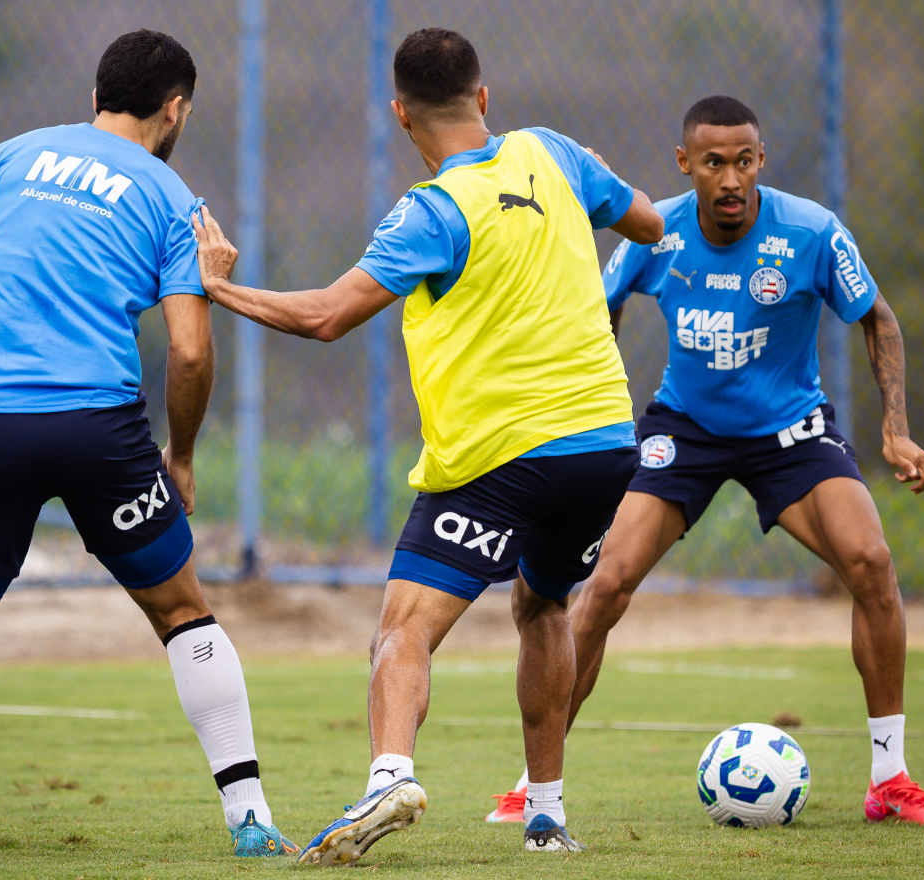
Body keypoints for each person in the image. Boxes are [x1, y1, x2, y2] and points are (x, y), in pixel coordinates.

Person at [190, 27, 663, 862]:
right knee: (544, 606)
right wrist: (593, 172)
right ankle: (546, 816)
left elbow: (326, 316)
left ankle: (389, 777)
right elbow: (652, 223)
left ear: (401, 115)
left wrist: (220, 289)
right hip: (603, 445)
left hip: (501, 459)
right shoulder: (554, 152)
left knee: (403, 626)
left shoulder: (432, 210)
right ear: (483, 97)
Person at [485, 95, 924, 828]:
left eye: (744, 161)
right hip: (684, 433)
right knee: (604, 585)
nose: (730, 179)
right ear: (684, 164)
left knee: (871, 562)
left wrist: (897, 431)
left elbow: (877, 317)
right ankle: (533, 784)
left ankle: (890, 778)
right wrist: (589, 410)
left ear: (761, 160)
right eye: (713, 163)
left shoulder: (811, 232)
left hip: (790, 431)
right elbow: (599, 308)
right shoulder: (654, 230)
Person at [0, 29, 297, 861]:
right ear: (175, 109)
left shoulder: (5, 158)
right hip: (100, 429)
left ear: (95, 96)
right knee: (183, 613)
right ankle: (250, 818)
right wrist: (180, 454)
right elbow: (189, 351)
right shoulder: (174, 198)